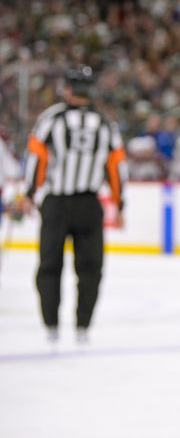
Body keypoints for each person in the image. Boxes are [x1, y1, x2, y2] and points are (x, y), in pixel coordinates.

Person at [23, 66, 128, 344]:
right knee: (91, 268)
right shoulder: (105, 123)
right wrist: (120, 204)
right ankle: (82, 326)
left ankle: (51, 326)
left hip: (57, 202)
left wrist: (29, 194)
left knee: (49, 265)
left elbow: (37, 160)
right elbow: (116, 167)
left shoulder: (52, 118)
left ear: (67, 89)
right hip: (88, 204)